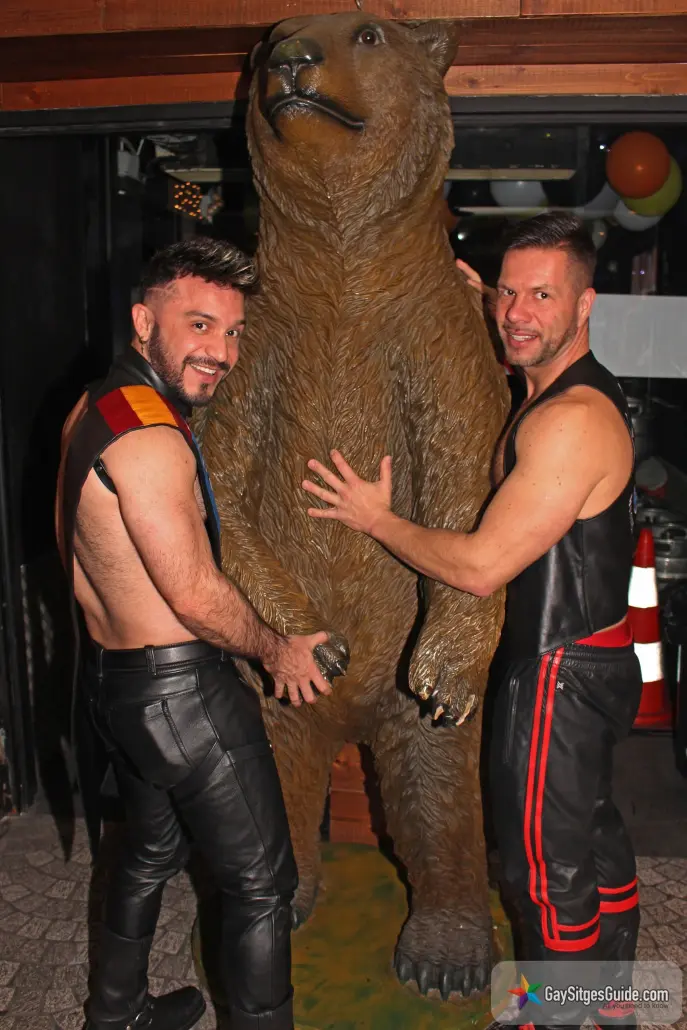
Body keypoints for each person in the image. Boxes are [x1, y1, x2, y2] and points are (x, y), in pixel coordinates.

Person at [302, 212, 642, 1027]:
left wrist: (375, 519)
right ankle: (612, 1003)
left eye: (541, 296)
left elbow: (482, 566)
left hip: (556, 673)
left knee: (542, 873)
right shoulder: (557, 389)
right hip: (586, 660)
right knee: (591, 835)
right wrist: (478, 296)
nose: (516, 312)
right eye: (508, 293)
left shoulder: (569, 419)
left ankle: (554, 1016)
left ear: (584, 304)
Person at [56, 237, 334, 1030]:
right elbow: (191, 591)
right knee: (262, 884)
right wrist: (276, 650)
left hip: (114, 684)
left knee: (149, 850)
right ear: (144, 322)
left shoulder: (96, 404)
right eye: (200, 325)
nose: (221, 351)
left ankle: (116, 1014)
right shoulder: (148, 434)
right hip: (178, 693)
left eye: (233, 331)